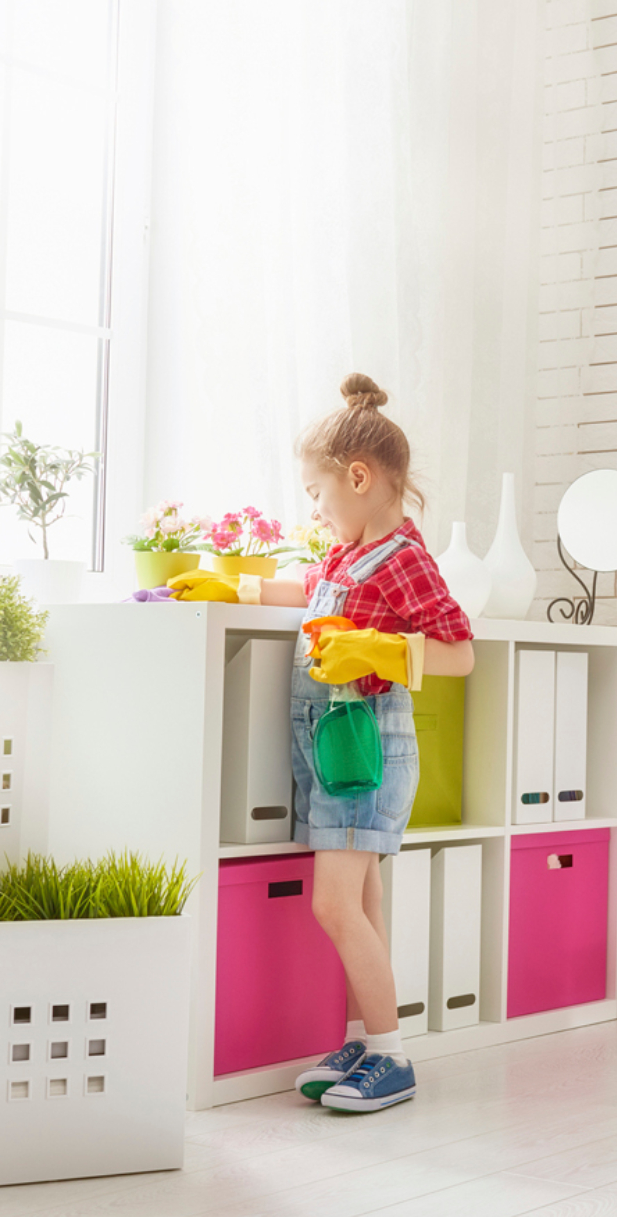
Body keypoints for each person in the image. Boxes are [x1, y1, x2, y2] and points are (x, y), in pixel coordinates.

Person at [186, 373, 477, 1113]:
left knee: (334, 905)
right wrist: (235, 589)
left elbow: (458, 651)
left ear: (359, 476)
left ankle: (392, 1056)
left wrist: (382, 655)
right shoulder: (347, 556)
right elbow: (308, 591)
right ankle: (364, 1036)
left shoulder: (404, 558)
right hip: (330, 749)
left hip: (364, 751)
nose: (312, 509)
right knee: (365, 904)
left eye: (316, 493)